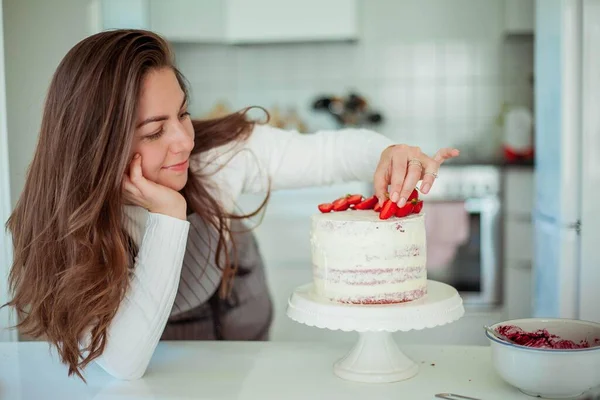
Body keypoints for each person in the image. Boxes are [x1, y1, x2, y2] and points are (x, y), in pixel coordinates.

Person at [3, 29, 459, 381]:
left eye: (182, 113)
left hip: (240, 343)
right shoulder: (60, 223)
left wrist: (386, 152)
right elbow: (123, 363)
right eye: (154, 130)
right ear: (95, 145)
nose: (185, 140)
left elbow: (328, 152)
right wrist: (168, 215)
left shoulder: (218, 157)